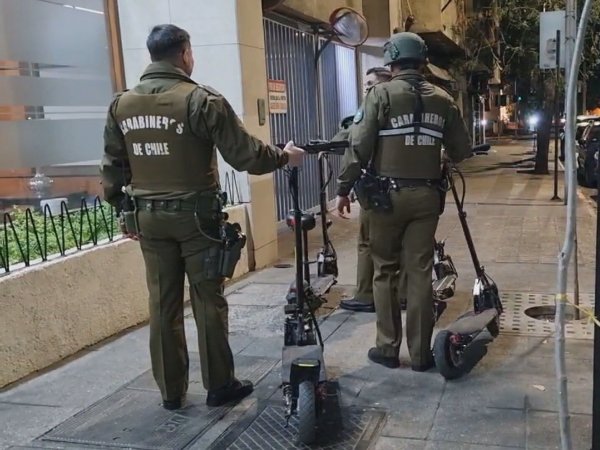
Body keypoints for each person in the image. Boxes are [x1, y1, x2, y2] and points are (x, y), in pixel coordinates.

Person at [101, 24, 305, 410]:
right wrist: (284, 156)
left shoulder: (121, 105)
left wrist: (124, 212)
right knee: (208, 301)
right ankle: (219, 385)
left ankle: (171, 393)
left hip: (149, 220)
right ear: (184, 54)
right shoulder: (201, 100)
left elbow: (113, 166)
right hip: (197, 220)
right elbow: (245, 155)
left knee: (162, 305)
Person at [335, 32, 471, 372]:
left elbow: (359, 146)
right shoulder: (443, 99)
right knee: (420, 272)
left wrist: (343, 188)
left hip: (386, 199)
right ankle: (422, 355)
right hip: (427, 198)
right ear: (422, 61)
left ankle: (387, 348)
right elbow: (461, 150)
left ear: (391, 60)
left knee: (385, 270)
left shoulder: (380, 95)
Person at [333, 67, 392, 313]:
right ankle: (400, 294)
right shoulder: (406, 109)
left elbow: (349, 145)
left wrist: (343, 189)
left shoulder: (369, 110)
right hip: (409, 188)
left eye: (370, 84)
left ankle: (366, 295)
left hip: (376, 189)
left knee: (367, 242)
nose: (366, 88)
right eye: (365, 84)